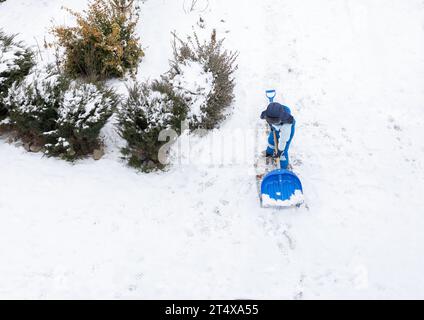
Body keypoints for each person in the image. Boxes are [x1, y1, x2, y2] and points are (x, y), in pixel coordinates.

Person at [260, 102, 295, 170]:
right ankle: (269, 153)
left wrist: (279, 151)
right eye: (270, 120)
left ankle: (284, 168)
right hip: (276, 128)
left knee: (283, 152)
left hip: (286, 130)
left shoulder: (287, 124)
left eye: (275, 121)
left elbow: (283, 140)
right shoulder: (267, 114)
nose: (273, 122)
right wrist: (271, 125)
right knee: (271, 140)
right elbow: (265, 117)